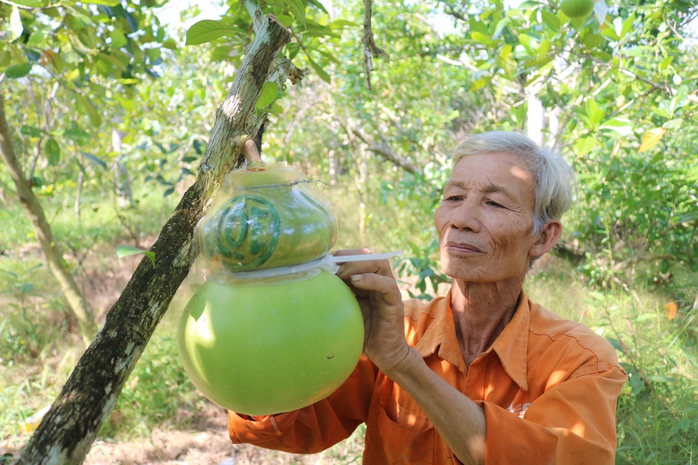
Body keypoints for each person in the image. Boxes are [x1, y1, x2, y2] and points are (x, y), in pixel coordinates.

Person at [227, 132, 627, 464]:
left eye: (493, 203)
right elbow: (292, 428)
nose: (461, 219)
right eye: (453, 198)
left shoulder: (580, 361)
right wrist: (278, 309)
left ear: (542, 237)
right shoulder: (397, 327)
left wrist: (404, 364)